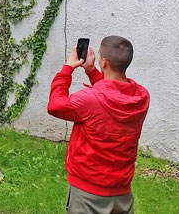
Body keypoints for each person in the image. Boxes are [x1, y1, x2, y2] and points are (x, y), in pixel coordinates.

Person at [47, 36, 150, 214]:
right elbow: (112, 94)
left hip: (87, 194)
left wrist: (67, 68)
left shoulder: (89, 100)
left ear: (104, 62)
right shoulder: (141, 97)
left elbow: (55, 106)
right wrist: (91, 71)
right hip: (122, 193)